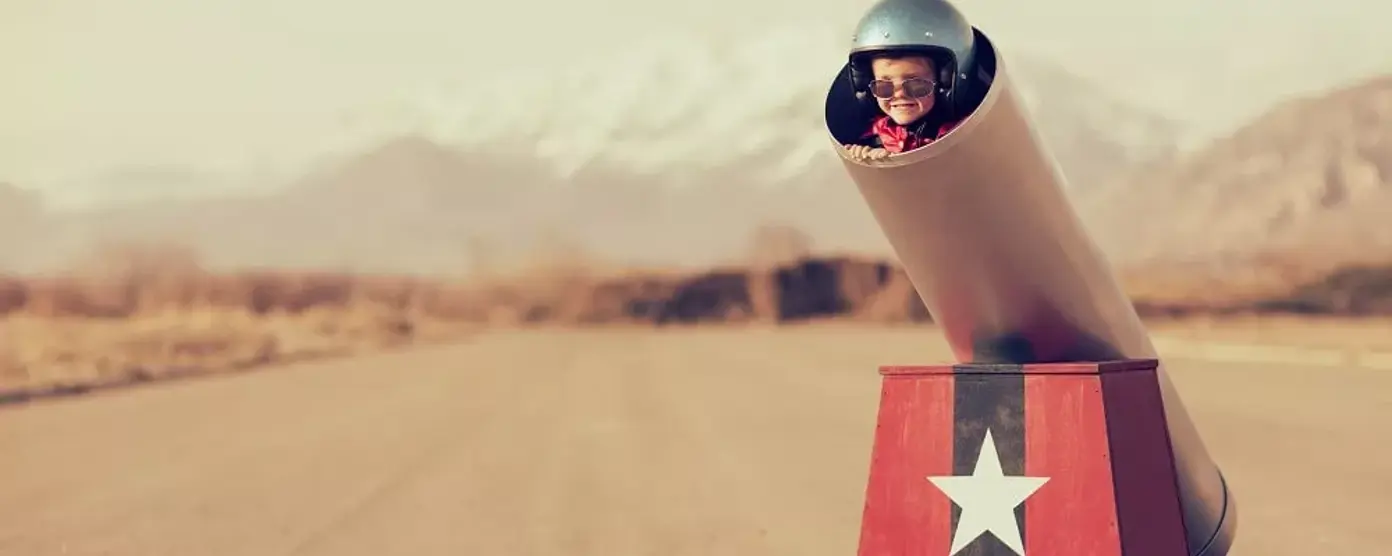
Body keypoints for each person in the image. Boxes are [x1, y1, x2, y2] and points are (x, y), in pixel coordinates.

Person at [839, 0, 984, 161]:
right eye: (884, 86)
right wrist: (871, 159)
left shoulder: (969, 135)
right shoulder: (874, 136)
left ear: (945, 84)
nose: (899, 94)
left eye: (916, 85)